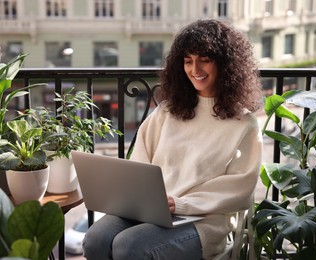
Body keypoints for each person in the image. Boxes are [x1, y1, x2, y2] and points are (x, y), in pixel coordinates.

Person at [82, 18, 263, 260]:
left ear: (226, 64)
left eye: (205, 60)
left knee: (130, 247)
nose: (195, 70)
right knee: (95, 239)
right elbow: (140, 162)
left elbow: (240, 188)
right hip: (153, 210)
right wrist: (135, 196)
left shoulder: (244, 124)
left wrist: (181, 205)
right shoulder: (167, 111)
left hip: (204, 221)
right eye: (188, 61)